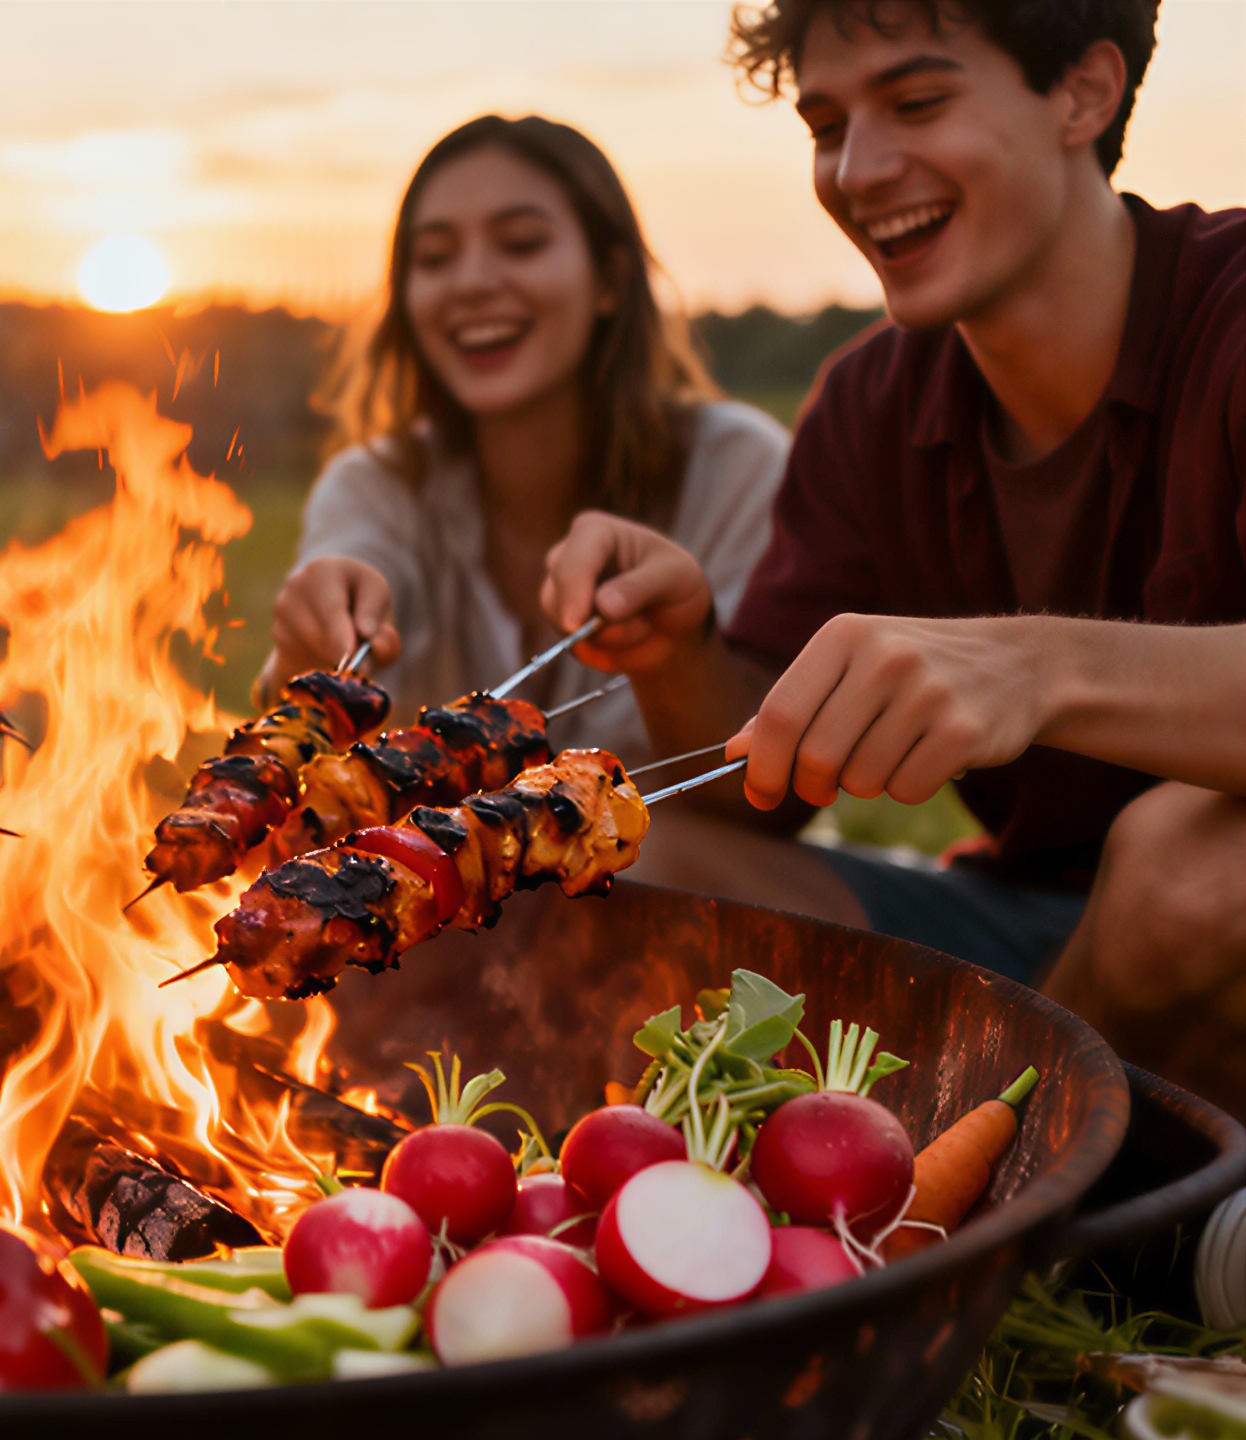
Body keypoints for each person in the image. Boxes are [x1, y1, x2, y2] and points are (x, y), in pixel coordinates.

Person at [542, 0, 1246, 1111]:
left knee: (1193, 865)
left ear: (1083, 92)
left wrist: (1035, 668)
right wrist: (677, 649)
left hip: (1205, 922)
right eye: (826, 126)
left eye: (917, 103)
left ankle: (996, 1203)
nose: (858, 170)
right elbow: (752, 804)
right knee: (628, 856)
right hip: (1026, 927)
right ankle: (1028, 1139)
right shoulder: (869, 403)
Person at [262, 115, 789, 761]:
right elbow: (315, 735)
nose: (472, 282)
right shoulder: (372, 485)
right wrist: (306, 650)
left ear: (610, 279)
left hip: (688, 862)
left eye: (520, 244)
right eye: (433, 258)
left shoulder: (738, 469)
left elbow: (761, 775)